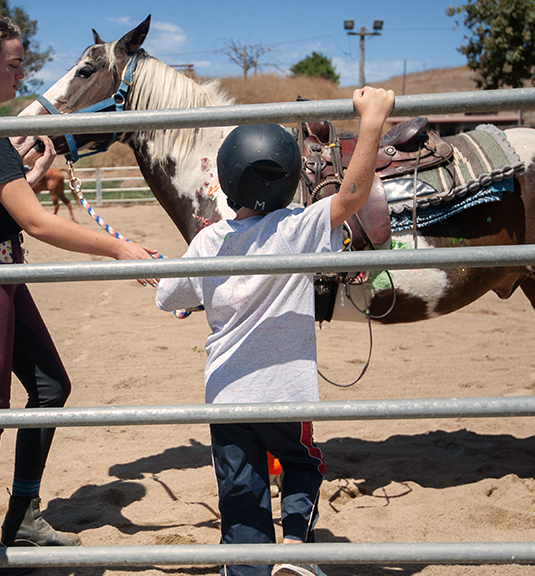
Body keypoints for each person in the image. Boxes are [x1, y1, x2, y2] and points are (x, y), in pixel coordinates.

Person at [0, 17, 158, 559]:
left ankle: (24, 514)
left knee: (50, 387)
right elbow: (38, 223)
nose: (21, 73)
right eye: (12, 63)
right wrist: (120, 248)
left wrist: (32, 174)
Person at [155, 87, 395, 576]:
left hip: (226, 394)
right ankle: (294, 553)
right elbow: (351, 195)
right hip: (287, 392)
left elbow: (167, 298)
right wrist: (371, 122)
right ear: (289, 181)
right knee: (302, 463)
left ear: (226, 182)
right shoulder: (298, 228)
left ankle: (246, 568)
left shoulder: (207, 241)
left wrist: (189, 278)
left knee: (240, 484)